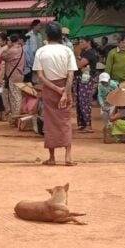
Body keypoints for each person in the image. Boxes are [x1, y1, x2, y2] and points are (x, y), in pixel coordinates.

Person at [33, 22, 78, 166]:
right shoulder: (67, 51)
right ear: (60, 35)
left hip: (49, 89)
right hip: (65, 86)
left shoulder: (41, 51)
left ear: (47, 35)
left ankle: (52, 157)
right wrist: (65, 92)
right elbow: (70, 74)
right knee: (65, 121)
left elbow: (40, 76)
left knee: (50, 123)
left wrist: (56, 89)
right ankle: (68, 156)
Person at [0, 33, 25, 121]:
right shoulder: (21, 49)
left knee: (15, 96)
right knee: (17, 95)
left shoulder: (12, 50)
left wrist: (6, 47)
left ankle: (16, 117)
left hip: (12, 76)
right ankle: (16, 117)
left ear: (11, 41)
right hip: (19, 75)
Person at [74, 38, 100, 132]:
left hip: (86, 80)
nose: (80, 44)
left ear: (88, 42)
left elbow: (79, 65)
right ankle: (83, 124)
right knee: (80, 102)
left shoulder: (90, 53)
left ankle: (88, 125)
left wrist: (76, 56)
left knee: (84, 102)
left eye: (82, 42)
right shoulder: (84, 52)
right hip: (81, 79)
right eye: (79, 42)